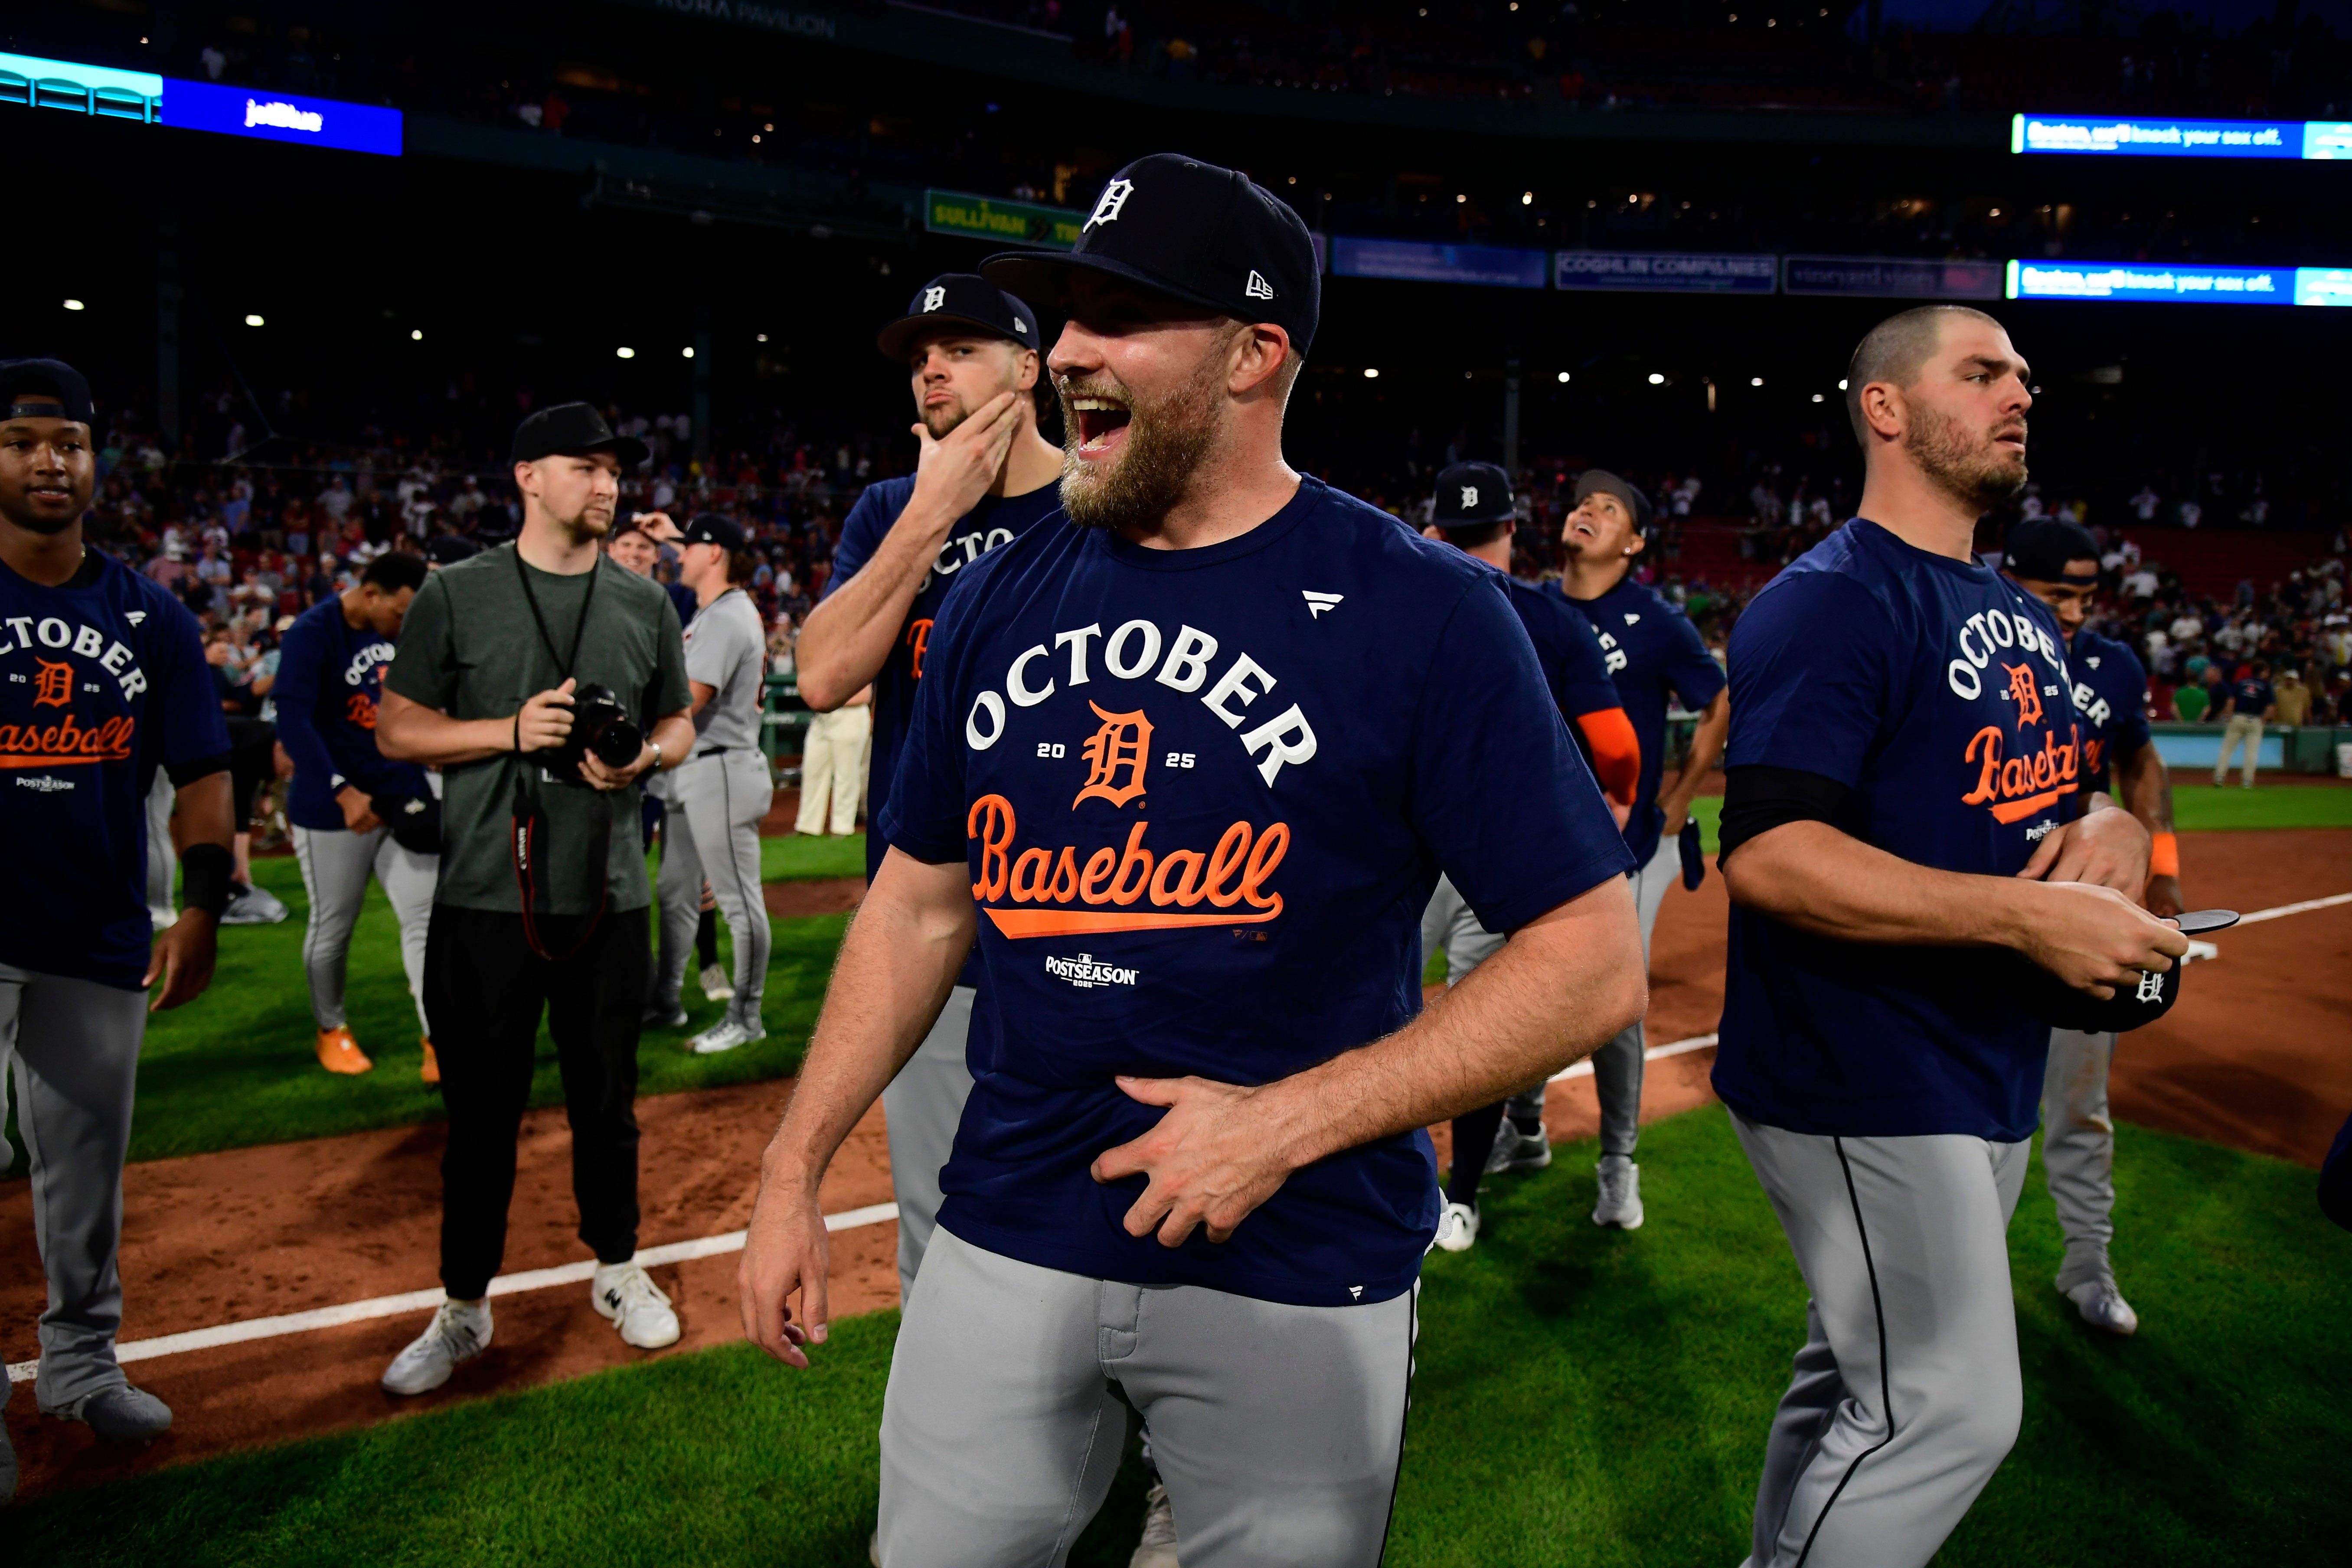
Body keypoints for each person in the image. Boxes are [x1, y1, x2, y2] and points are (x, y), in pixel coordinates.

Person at [738, 154, 1646, 1567]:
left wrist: (1280, 1122)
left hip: (1299, 1257)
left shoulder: (1429, 611)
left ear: (1253, 354)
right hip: (1008, 1226)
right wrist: (792, 1166)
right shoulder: (993, 595)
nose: (1071, 351)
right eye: (1068, 316)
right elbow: (917, 907)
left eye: (1125, 315)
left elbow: (1591, 956)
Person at [1712, 306, 2185, 1568]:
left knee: (1850, 1380)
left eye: (2022, 376)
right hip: (1858, 1062)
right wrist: (2028, 912)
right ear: (1883, 406)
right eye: (1978, 373)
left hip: (1978, 1058)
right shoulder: (1825, 602)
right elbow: (1767, 852)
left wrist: (2110, 833)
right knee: (1949, 1406)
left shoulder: (2015, 613)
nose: (2017, 393)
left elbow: (2043, 797)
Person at [373, 403, 697, 1396]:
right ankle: (464, 1305)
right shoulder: (454, 593)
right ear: (526, 476)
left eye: (613, 471)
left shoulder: (643, 602)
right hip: (483, 894)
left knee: (609, 1106)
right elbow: (398, 730)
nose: (605, 487)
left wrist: (640, 755)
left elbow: (678, 724)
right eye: (583, 467)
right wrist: (508, 730)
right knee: (481, 1114)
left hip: (607, 893)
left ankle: (616, 1268)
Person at [790, 271, 1065, 1305]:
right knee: (937, 1229)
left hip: (1083, 930)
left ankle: (1132, 1438)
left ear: (1029, 368)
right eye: (919, 357)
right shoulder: (887, 510)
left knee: (1102, 1215)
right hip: (929, 931)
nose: (932, 369)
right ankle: (957, 1464)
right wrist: (935, 508)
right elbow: (822, 674)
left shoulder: (1100, 504)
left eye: (959, 347)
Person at [0, 359, 234, 1492]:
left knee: (83, 1182)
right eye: (23, 439)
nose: (52, 461)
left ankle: (81, 1370)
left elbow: (202, 772)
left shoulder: (150, 612)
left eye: (71, 442)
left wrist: (199, 904)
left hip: (98, 938)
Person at [1416, 460, 1639, 1253]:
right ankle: (1460, 1199)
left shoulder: (1401, 600)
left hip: (1400, 850)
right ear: (1512, 529)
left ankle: (1340, 1167)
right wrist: (1610, 805)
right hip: (1497, 852)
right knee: (1479, 1021)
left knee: (1359, 1001)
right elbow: (1615, 748)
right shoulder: (1554, 620)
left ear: (1434, 530)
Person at [1529, 467, 1731, 1226]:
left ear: (1634, 543)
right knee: (1516, 988)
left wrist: (1679, 799)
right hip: (1541, 836)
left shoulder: (1653, 619)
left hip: (1629, 844)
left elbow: (1716, 701)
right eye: (1582, 501)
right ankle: (1522, 1130)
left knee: (1615, 1004)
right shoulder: (1536, 607)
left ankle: (1618, 1162)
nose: (1586, 510)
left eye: (1606, 507)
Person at [2002, 517, 2179, 1336]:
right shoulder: (1976, 651)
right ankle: (1963, 1283)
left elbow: (2139, 760)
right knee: (1977, 1108)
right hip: (1991, 916)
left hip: (2082, 918)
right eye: (2054, 593)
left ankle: (2086, 1267)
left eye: (2083, 594)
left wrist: (2162, 871)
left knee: (2078, 1106)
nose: (2071, 611)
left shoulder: (2109, 663)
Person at [272, 550, 440, 1081]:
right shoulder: (312, 632)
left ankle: (438, 1036)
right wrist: (341, 791)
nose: (402, 624)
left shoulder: (403, 629)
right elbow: (294, 722)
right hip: (332, 807)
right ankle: (331, 1027)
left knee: (426, 917)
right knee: (333, 925)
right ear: (371, 594)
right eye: (398, 612)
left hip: (399, 791)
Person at [650, 514, 777, 1057]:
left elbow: (689, 699)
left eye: (690, 546)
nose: (679, 555)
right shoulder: (714, 611)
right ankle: (665, 998)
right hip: (698, 769)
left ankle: (745, 1016)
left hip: (721, 767)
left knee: (739, 904)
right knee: (675, 891)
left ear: (716, 553)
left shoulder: (726, 615)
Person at [2214, 657, 2275, 788]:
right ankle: (2247, 781)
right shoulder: (2266, 686)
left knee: (2226, 750)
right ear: (2263, 672)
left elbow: (2231, 701)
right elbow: (2271, 708)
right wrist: (2263, 720)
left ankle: (2219, 778)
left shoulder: (2241, 683)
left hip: (2238, 717)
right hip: (2255, 719)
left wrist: (2230, 717)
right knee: (2251, 753)